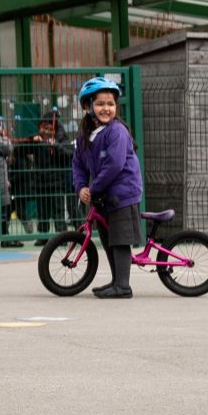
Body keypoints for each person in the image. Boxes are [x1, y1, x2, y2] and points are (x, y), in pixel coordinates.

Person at [71, 77, 142, 298]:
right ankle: (116, 281)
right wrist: (81, 186)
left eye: (110, 104)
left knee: (120, 240)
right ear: (87, 106)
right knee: (108, 239)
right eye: (100, 104)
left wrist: (94, 188)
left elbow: (115, 164)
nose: (106, 108)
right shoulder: (84, 137)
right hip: (102, 195)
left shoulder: (116, 131)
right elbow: (78, 165)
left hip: (122, 195)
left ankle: (123, 286)